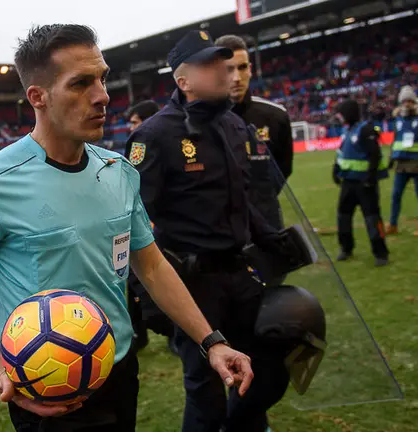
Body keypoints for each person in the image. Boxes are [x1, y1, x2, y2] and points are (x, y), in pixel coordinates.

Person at [0, 24, 254, 432]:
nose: (102, 95)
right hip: (46, 389)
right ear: (38, 97)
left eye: (101, 78)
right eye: (81, 83)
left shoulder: (118, 171)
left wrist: (211, 342)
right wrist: (1, 374)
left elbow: (151, 266)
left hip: (120, 370)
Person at [127, 30, 291, 432]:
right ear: (183, 81)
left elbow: (246, 201)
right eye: (210, 64)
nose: (223, 70)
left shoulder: (235, 126)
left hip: (241, 274)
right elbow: (129, 220)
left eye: (225, 61)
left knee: (267, 373)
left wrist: (276, 242)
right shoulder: (154, 136)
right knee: (206, 392)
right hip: (193, 283)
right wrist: (147, 298)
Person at [215, 34, 293, 231]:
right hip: (222, 226)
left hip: (267, 220)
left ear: (250, 69)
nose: (236, 78)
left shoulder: (275, 116)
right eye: (228, 69)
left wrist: (261, 199)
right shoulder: (200, 122)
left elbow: (283, 168)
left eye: (242, 67)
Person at [122, 100, 176, 353]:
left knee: (149, 276)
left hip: (159, 223)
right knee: (131, 276)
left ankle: (172, 332)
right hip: (145, 221)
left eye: (134, 121)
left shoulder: (147, 141)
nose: (131, 127)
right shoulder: (155, 140)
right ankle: (137, 332)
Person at [332, 99, 390, 267]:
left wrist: (370, 178)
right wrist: (336, 169)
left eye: (341, 114)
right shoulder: (346, 131)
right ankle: (346, 248)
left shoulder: (365, 129)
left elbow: (375, 154)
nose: (339, 118)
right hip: (348, 182)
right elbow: (341, 153)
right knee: (343, 215)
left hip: (364, 184)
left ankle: (380, 252)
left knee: (372, 218)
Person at [386, 86, 418, 237]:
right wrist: (390, 159)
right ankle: (393, 224)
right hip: (401, 164)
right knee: (396, 195)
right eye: (404, 100)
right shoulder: (399, 118)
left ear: (414, 101)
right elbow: (396, 140)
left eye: (409, 100)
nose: (406, 103)